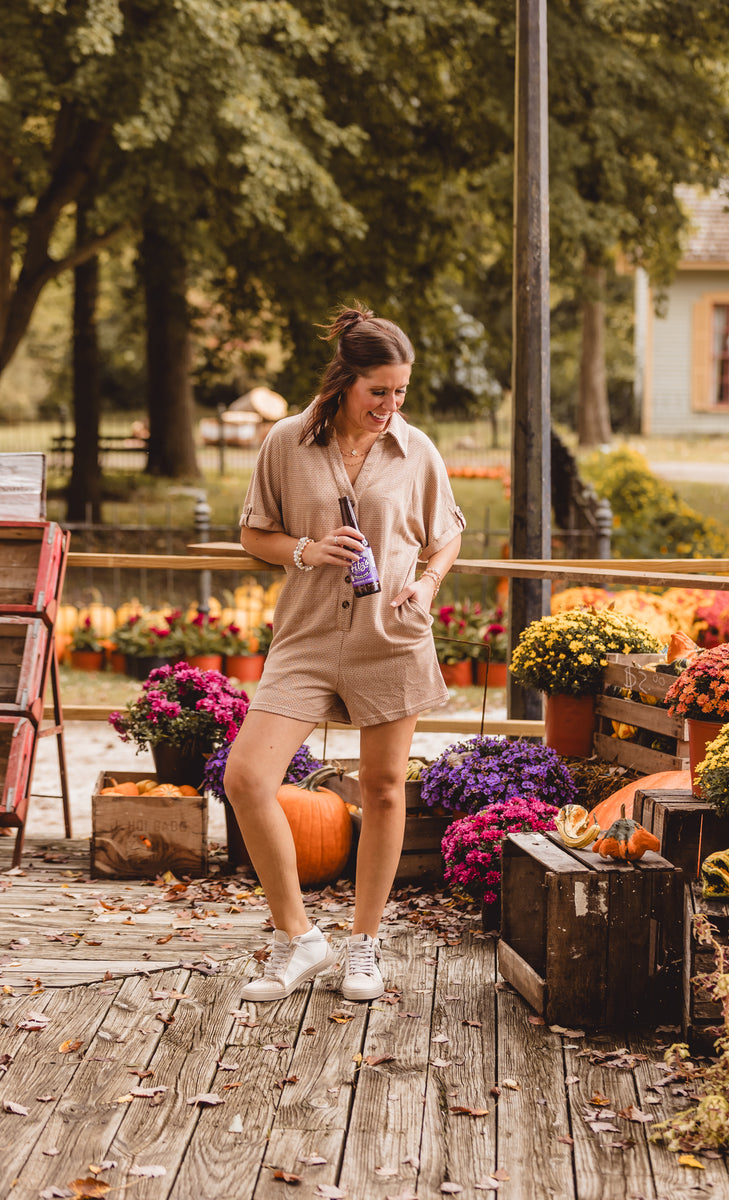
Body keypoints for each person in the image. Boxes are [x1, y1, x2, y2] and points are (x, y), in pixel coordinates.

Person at [224, 302, 465, 1003]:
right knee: (247, 779)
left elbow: (445, 532)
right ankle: (300, 938)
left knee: (386, 789)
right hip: (303, 640)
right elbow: (254, 532)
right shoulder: (286, 443)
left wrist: (426, 581)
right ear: (343, 382)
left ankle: (365, 944)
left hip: (389, 639)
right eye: (378, 391)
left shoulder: (415, 451)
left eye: (400, 393)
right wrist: (305, 549)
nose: (389, 406)